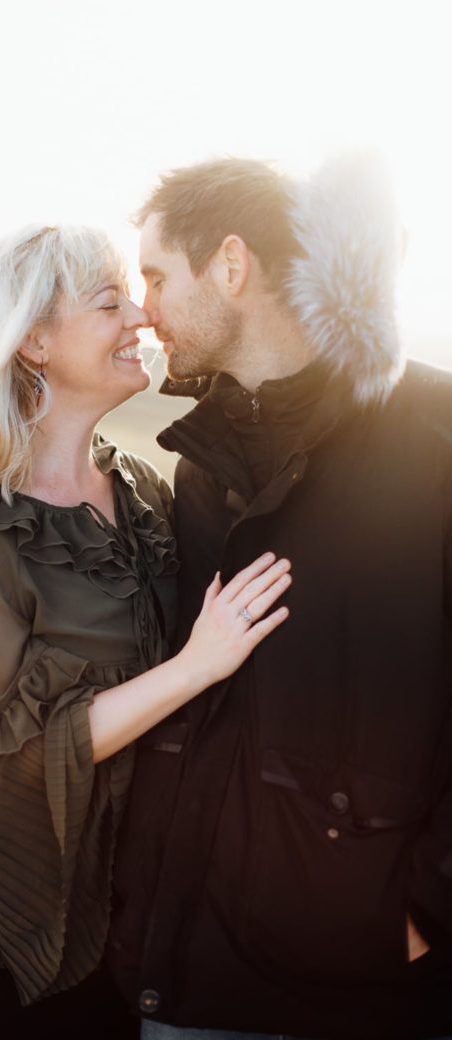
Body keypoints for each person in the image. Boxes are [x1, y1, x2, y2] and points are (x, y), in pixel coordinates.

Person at [0, 224, 291, 1040]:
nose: (142, 319)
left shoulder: (146, 491)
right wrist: (197, 666)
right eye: (108, 301)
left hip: (147, 886)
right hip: (28, 898)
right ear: (35, 344)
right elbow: (19, 752)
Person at [107, 155, 452, 1040]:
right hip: (184, 978)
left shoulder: (434, 441)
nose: (142, 307)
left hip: (366, 988)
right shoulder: (197, 468)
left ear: (230, 265)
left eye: (153, 274)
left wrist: (423, 913)